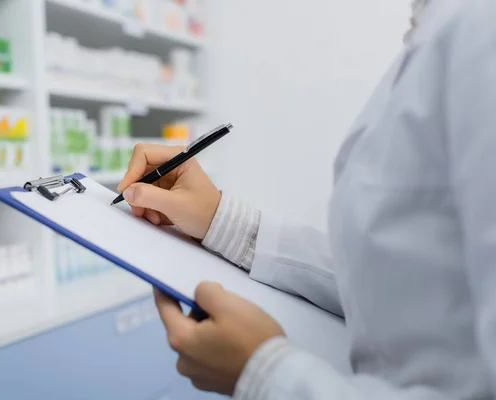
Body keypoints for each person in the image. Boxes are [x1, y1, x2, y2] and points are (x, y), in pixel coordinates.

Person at [118, 0, 496, 398]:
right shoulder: (445, 30)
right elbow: (403, 279)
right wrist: (221, 219)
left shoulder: (480, 30)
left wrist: (268, 374)